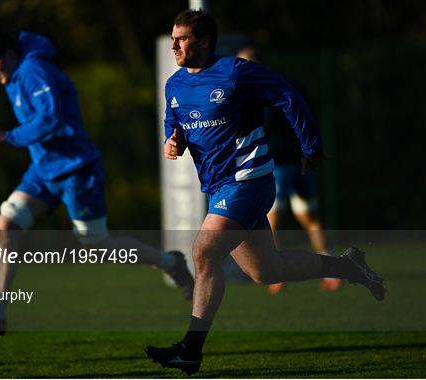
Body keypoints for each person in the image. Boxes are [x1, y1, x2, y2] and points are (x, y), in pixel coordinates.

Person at [145, 10, 385, 375]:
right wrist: (172, 141)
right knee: (265, 271)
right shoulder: (175, 84)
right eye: (172, 38)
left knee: (204, 250)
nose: (174, 45)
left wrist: (311, 146)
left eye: (182, 38)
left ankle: (190, 349)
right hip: (219, 186)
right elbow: (173, 123)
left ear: (205, 41)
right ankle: (346, 266)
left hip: (249, 180)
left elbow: (287, 95)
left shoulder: (236, 72)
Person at [0, 28, 194, 339]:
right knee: (4, 228)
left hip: (76, 171)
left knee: (97, 246)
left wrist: (9, 136)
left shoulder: (33, 71)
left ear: (10, 55)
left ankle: (169, 262)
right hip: (43, 172)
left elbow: (51, 120)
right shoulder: (14, 76)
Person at [236, 43, 342, 294]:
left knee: (275, 218)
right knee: (309, 217)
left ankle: (276, 273)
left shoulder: (259, 93)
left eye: (243, 64)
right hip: (295, 163)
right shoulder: (283, 86)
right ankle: (331, 268)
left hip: (278, 165)